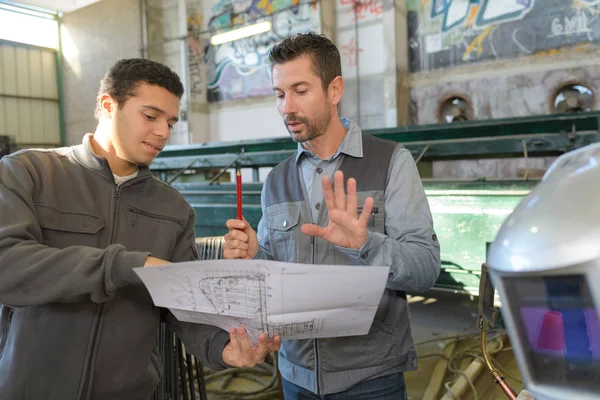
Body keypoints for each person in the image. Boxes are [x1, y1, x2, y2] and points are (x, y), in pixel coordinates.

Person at [0, 58, 280, 400]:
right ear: (108, 105)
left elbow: (182, 306)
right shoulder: (30, 174)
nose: (163, 132)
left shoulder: (173, 210)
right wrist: (128, 266)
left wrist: (223, 348)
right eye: (150, 116)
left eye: (170, 122)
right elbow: (7, 265)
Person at [223, 32, 441, 399]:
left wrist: (366, 245)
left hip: (371, 380)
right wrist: (252, 257)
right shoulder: (277, 180)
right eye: (280, 94)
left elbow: (425, 269)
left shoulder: (390, 162)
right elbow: (274, 276)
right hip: (295, 378)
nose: (287, 107)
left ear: (335, 89)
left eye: (300, 90)